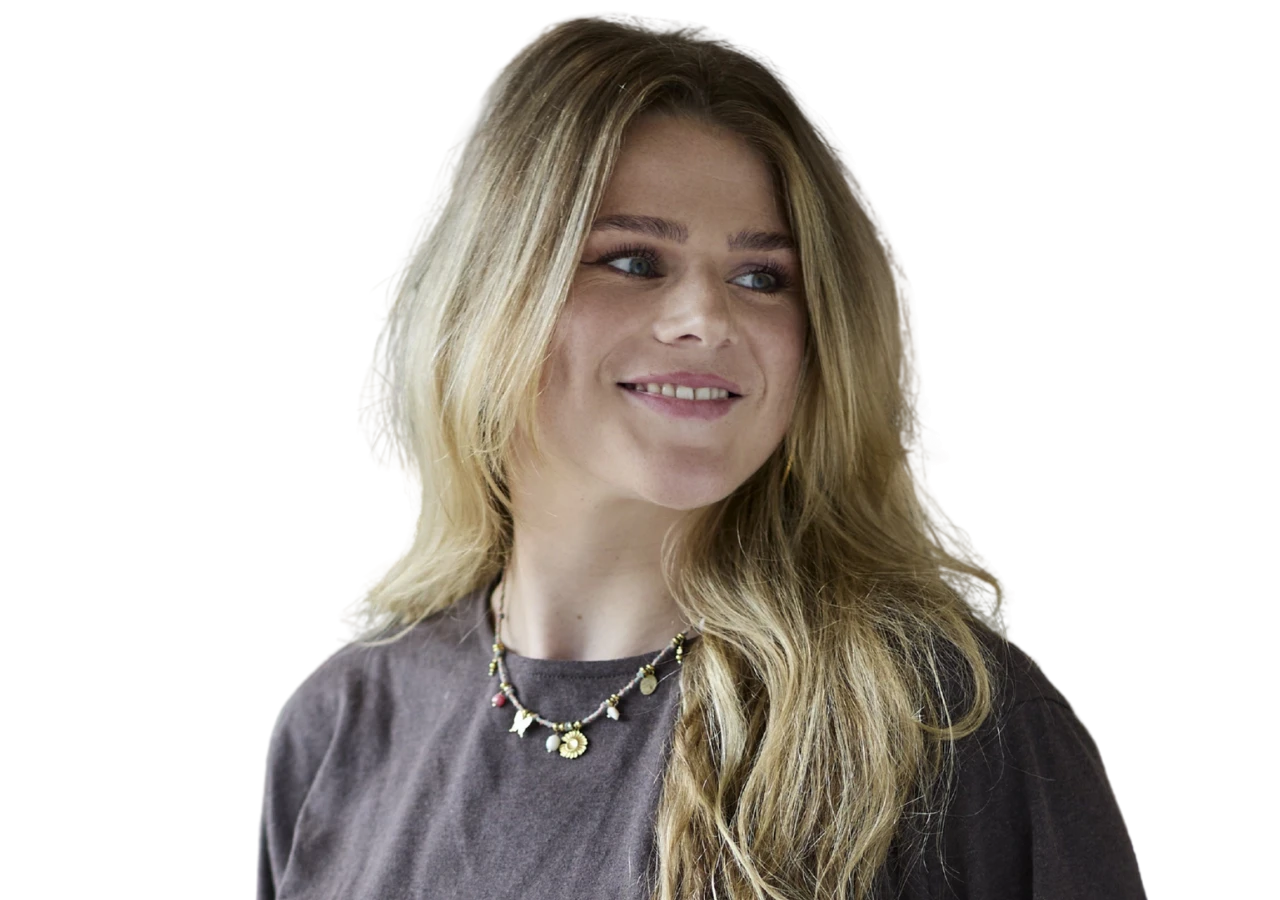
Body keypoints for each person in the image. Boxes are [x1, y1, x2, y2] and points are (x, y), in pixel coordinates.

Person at [257, 11, 1147, 900]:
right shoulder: (338, 731)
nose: (707, 320)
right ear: (488, 291)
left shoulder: (942, 724)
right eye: (633, 261)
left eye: (761, 277)